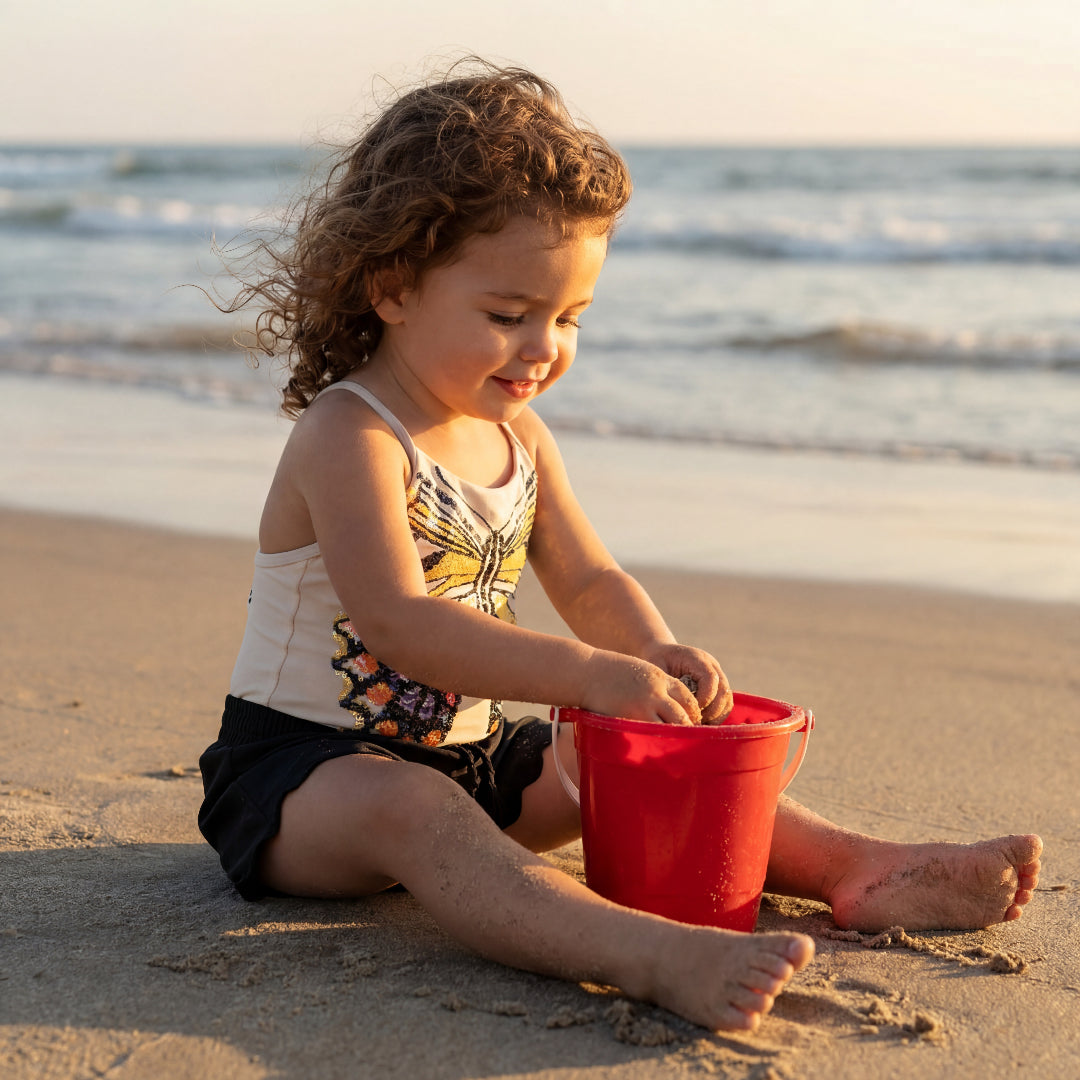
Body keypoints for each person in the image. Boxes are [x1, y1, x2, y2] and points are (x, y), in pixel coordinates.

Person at [198, 61, 1042, 1034]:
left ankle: (856, 865)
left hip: (473, 762)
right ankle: (649, 954)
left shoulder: (521, 441)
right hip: (305, 782)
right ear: (391, 287)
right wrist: (592, 672)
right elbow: (402, 623)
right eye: (508, 316)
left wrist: (650, 656)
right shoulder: (352, 433)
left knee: (629, 763)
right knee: (418, 816)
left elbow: (591, 577)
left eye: (568, 320)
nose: (543, 348)